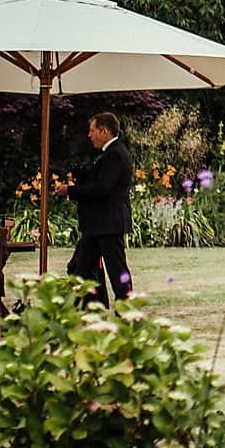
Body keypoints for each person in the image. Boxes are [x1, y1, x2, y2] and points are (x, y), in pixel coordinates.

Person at [66, 111, 133, 304]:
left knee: (117, 271)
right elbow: (97, 181)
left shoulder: (115, 154)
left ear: (104, 131)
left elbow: (102, 188)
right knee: (81, 270)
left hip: (108, 223)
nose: (89, 135)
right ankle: (74, 311)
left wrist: (71, 190)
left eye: (92, 130)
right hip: (97, 226)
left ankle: (127, 313)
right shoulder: (109, 154)